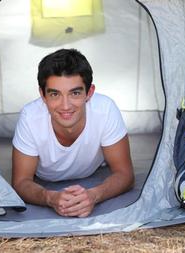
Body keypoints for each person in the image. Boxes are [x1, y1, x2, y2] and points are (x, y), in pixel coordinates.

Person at [12, 48, 134, 218]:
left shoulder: (105, 109)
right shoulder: (30, 117)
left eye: (75, 93)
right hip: (45, 178)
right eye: (55, 94)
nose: (66, 106)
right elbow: (21, 181)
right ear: (43, 95)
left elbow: (125, 174)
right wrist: (49, 197)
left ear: (89, 93)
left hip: (94, 170)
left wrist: (94, 195)